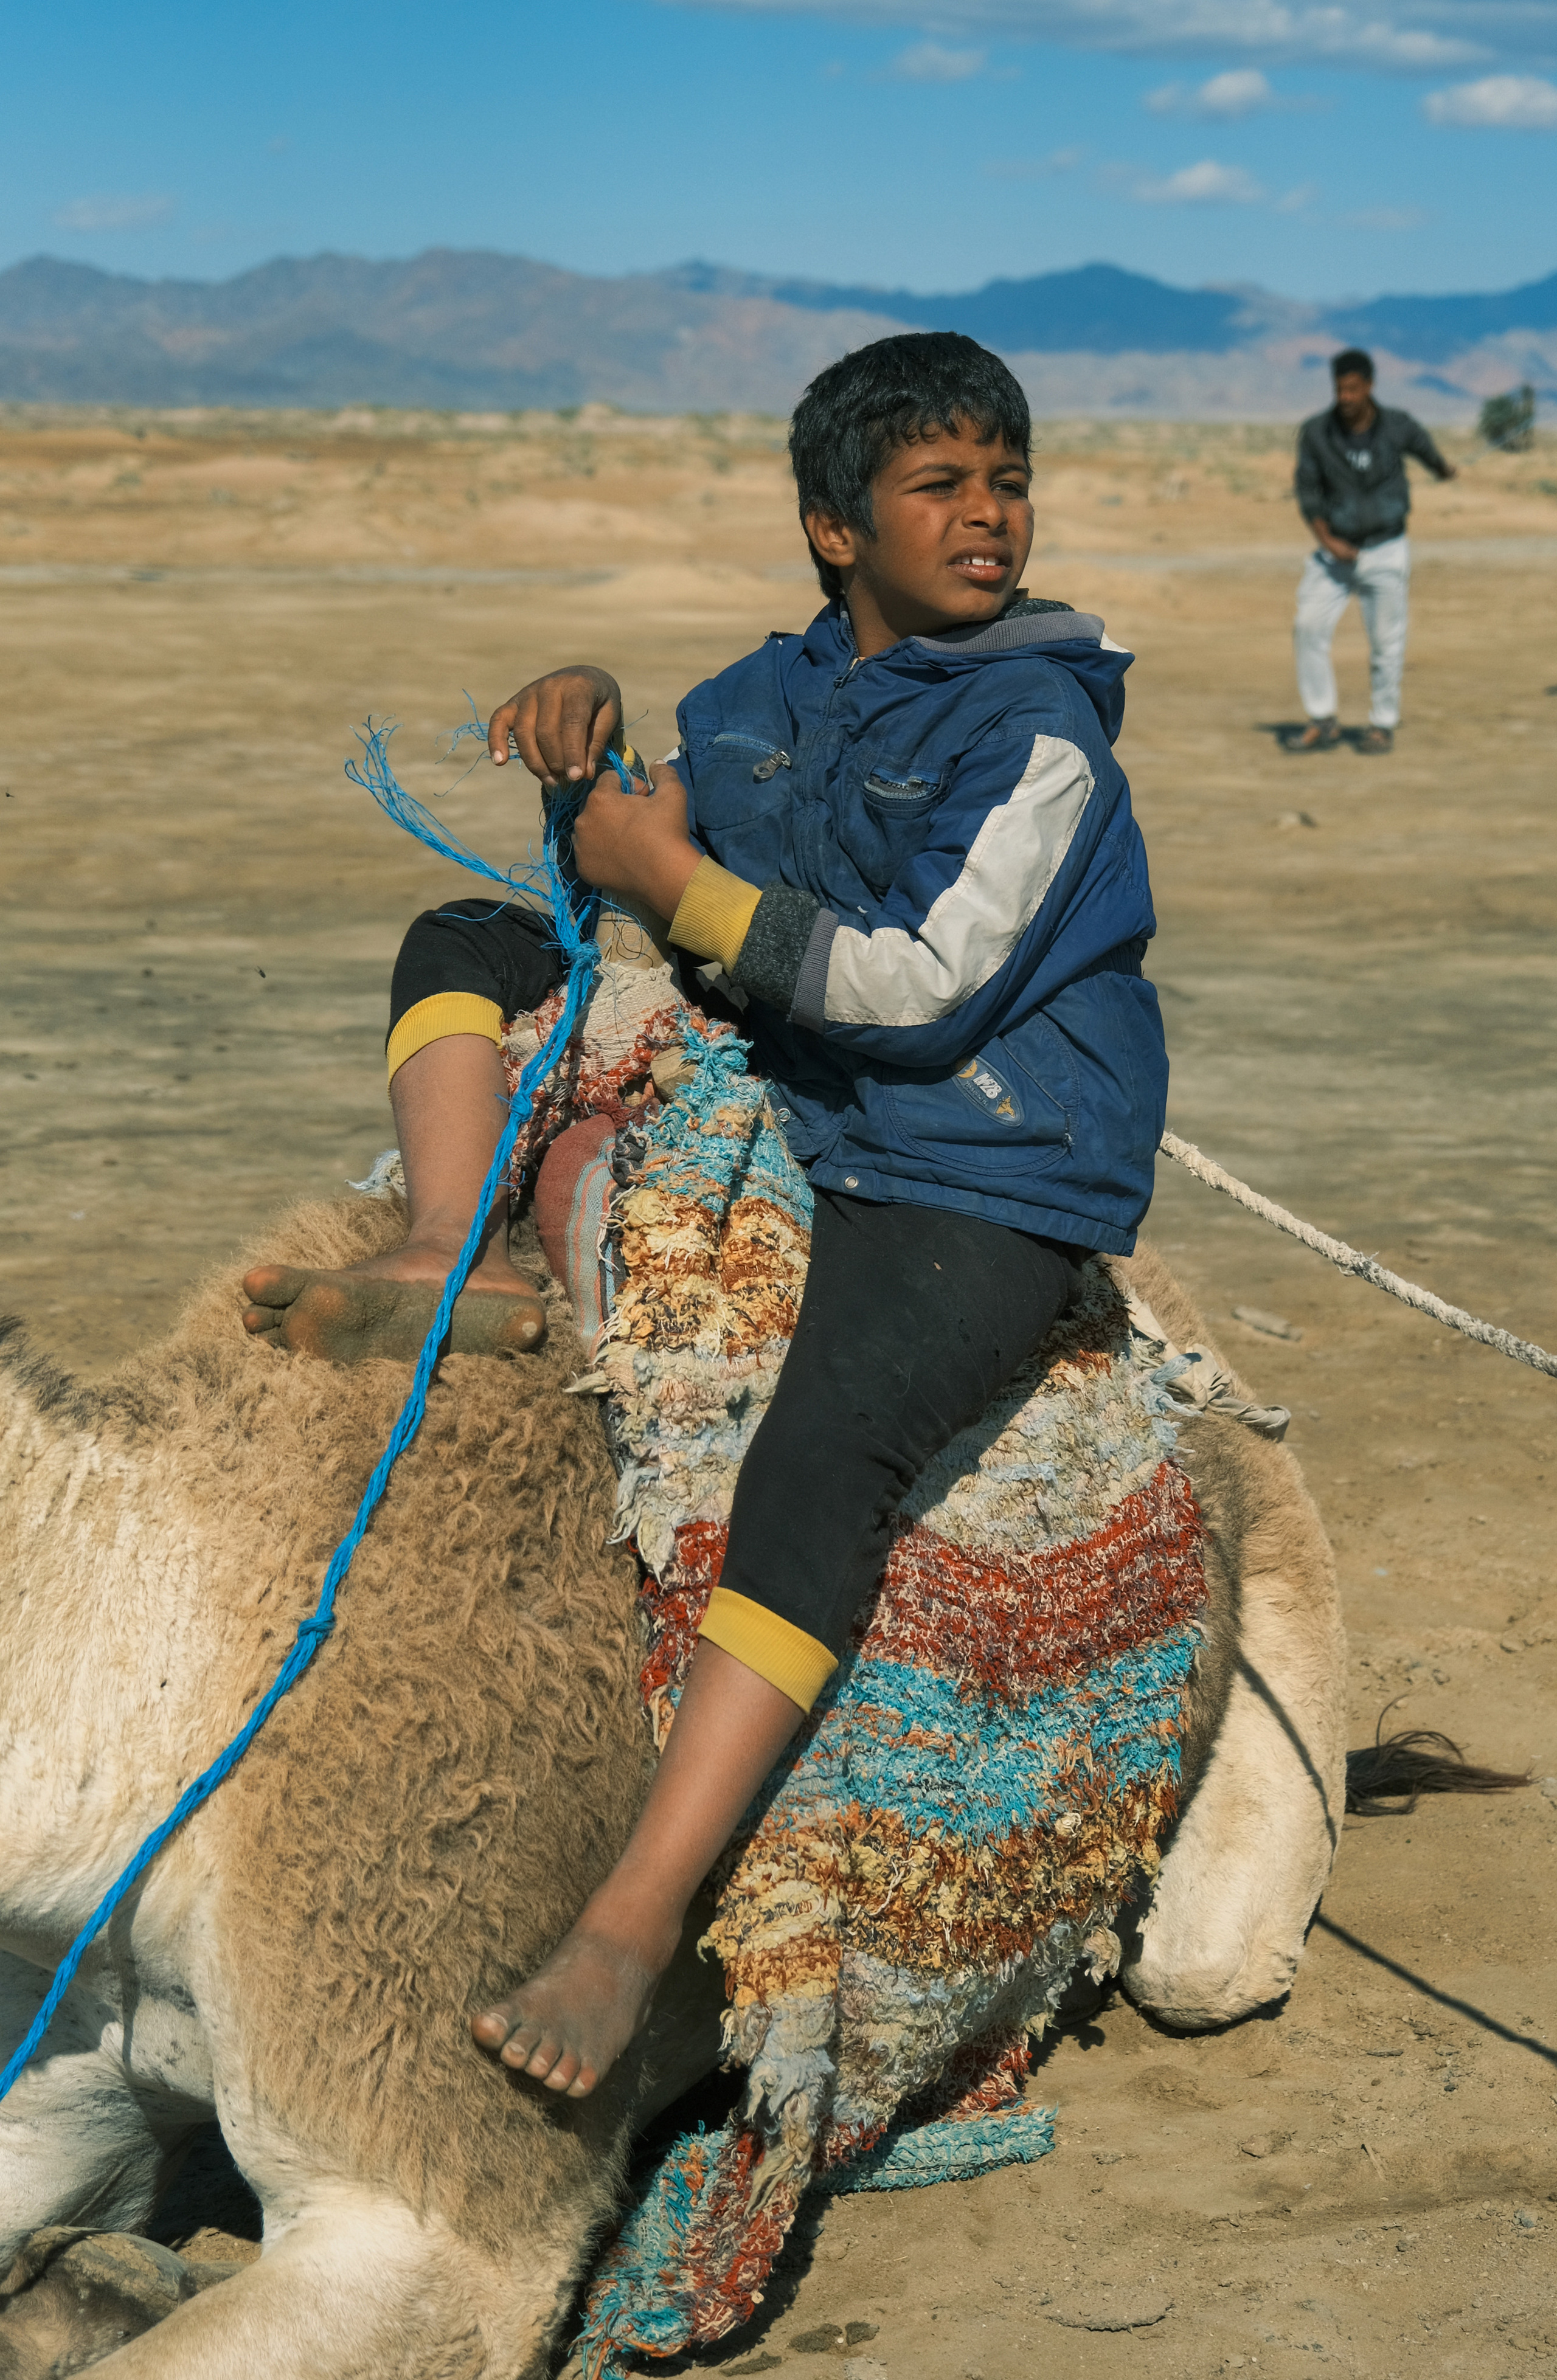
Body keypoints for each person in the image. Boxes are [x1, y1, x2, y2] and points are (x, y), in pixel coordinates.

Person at [242, 331, 1169, 2095]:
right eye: (941, 486)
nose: (989, 515)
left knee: (819, 1464)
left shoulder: (1042, 736)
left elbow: (914, 990)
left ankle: (634, 1916)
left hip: (975, 1158)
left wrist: (678, 887)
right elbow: (651, 819)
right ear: (837, 527)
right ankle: (456, 1241)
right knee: (467, 942)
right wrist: (583, 720)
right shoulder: (769, 692)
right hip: (807, 1076)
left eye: (1008, 481)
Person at [1285, 348, 1455, 756]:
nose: (1345, 397)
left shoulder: (1398, 426)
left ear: (1369, 387)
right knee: (1308, 626)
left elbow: (1427, 451)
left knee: (1386, 643)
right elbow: (1308, 493)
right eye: (1339, 389)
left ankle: (1381, 724)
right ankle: (1322, 719)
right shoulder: (1316, 433)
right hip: (1334, 553)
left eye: (1353, 389)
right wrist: (1329, 542)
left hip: (1387, 549)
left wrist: (1443, 469)